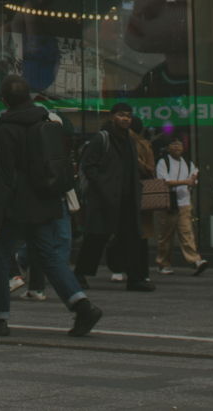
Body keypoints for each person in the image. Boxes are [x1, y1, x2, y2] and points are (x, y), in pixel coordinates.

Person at [0, 74, 102, 338]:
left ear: (5, 100)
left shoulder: (7, 129)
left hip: (15, 206)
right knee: (49, 255)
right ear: (28, 97)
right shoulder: (46, 122)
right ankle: (82, 306)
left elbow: (3, 177)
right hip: (44, 201)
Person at [75, 102, 154, 291]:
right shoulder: (102, 138)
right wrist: (102, 187)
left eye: (128, 115)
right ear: (112, 117)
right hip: (105, 199)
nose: (125, 119)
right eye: (121, 115)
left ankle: (134, 279)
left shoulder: (130, 142)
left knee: (131, 238)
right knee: (96, 238)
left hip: (127, 199)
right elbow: (88, 166)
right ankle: (79, 274)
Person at [154, 137, 206, 275]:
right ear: (167, 148)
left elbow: (194, 180)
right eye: (173, 144)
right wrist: (186, 182)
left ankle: (195, 261)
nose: (177, 147)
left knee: (187, 234)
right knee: (166, 236)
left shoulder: (188, 163)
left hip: (184, 203)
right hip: (168, 203)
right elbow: (164, 182)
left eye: (179, 144)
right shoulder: (163, 162)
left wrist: (192, 181)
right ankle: (163, 263)